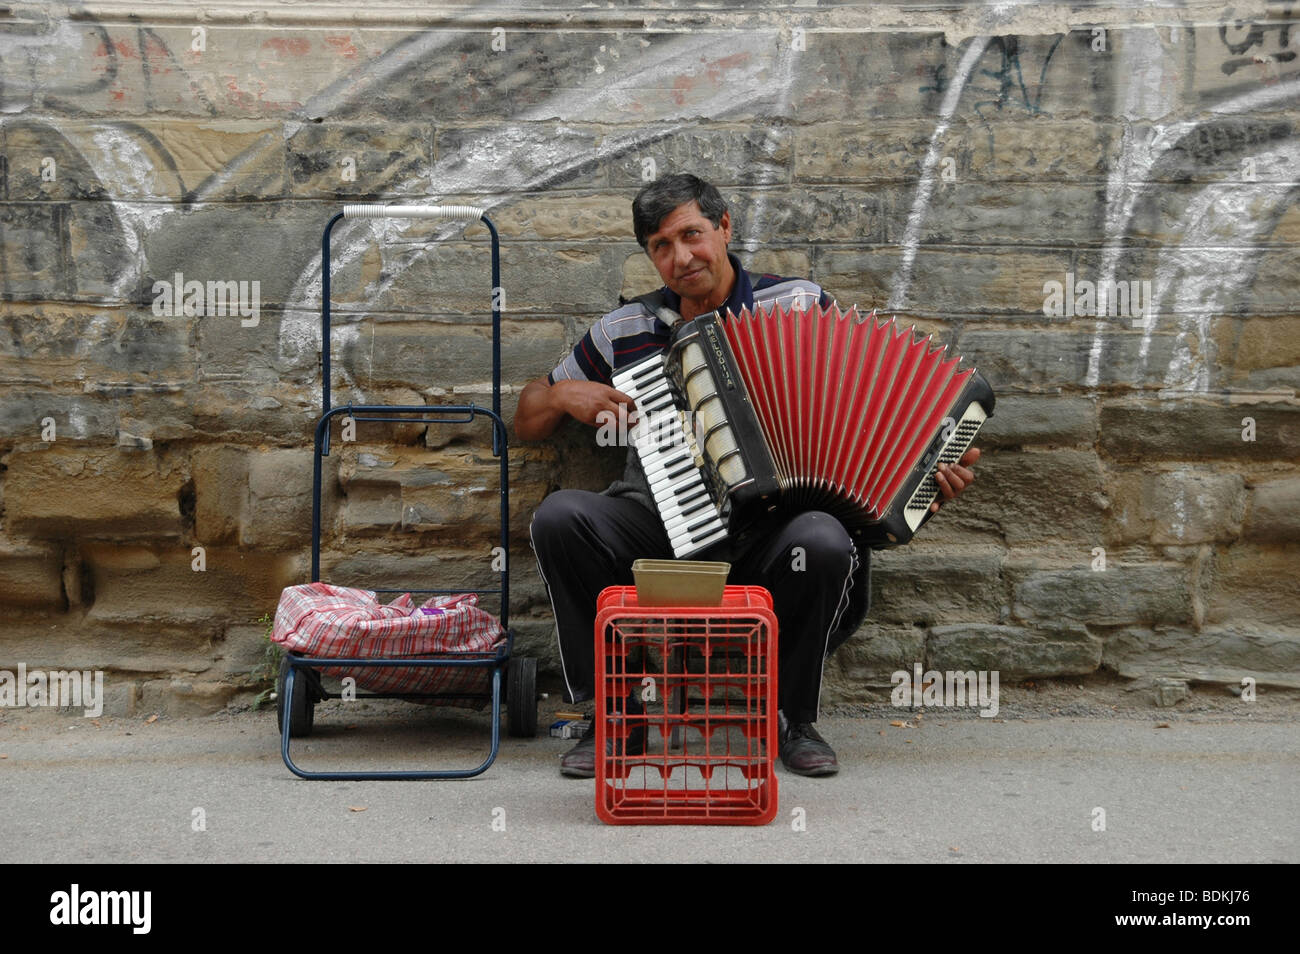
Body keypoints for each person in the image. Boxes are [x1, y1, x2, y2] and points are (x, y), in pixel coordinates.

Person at [515, 173, 979, 778]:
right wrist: (561, 396)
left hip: (770, 535)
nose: (681, 258)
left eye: (692, 235)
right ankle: (617, 718)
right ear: (648, 256)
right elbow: (526, 418)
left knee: (823, 538)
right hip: (656, 524)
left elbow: (872, 400)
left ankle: (793, 718)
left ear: (724, 227)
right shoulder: (623, 330)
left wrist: (927, 475)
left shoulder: (797, 305)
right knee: (558, 517)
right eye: (660, 246)